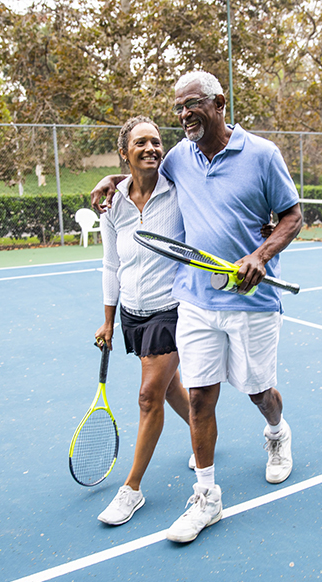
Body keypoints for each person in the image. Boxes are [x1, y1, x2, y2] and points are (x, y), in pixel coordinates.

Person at [91, 71, 302, 543]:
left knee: (257, 392)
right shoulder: (179, 159)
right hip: (196, 301)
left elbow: (292, 215)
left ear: (219, 102)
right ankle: (207, 496)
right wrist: (115, 179)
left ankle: (276, 431)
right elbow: (142, 173)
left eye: (192, 105)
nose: (184, 115)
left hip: (253, 302)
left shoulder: (263, 155)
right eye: (178, 108)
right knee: (201, 397)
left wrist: (260, 256)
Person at [93, 115, 193, 526]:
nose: (151, 148)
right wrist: (108, 321)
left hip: (171, 307)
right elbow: (110, 265)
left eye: (156, 141)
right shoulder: (112, 203)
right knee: (169, 389)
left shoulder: (180, 188)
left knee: (148, 396)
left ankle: (131, 489)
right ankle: (201, 427)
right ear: (125, 153)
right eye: (140, 143)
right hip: (133, 312)